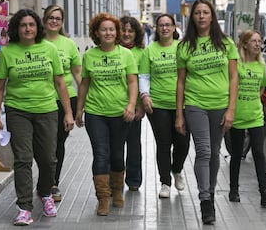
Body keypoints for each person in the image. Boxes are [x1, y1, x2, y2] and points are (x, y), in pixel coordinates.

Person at [0, 9, 74, 226]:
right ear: (17, 29)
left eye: (31, 25)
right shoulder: (8, 52)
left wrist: (68, 112)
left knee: (48, 159)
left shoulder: (49, 49)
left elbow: (60, 83)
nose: (27, 29)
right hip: (17, 110)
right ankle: (24, 207)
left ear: (38, 27)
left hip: (47, 110)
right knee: (23, 159)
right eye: (23, 25)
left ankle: (45, 193)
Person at [175, 0, 238, 224]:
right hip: (195, 104)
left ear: (212, 16)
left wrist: (231, 109)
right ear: (192, 17)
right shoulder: (184, 46)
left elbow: (233, 78)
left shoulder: (226, 43)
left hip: (220, 105)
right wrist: (179, 114)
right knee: (203, 151)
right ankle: (205, 201)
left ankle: (210, 191)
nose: (201, 16)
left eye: (205, 12)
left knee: (214, 151)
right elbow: (180, 82)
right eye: (197, 13)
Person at [75, 13, 138, 216]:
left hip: (120, 113)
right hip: (96, 113)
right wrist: (79, 109)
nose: (108, 32)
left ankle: (117, 190)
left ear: (117, 32)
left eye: (111, 29)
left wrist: (131, 105)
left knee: (117, 154)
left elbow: (132, 82)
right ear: (96, 33)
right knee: (101, 154)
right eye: (104, 29)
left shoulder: (126, 55)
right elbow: (84, 83)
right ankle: (103, 197)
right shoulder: (90, 56)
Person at [139, 13, 190, 199]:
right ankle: (165, 182)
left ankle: (177, 169)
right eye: (161, 25)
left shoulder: (182, 48)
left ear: (174, 28)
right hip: (158, 105)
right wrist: (144, 95)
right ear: (156, 28)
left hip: (182, 105)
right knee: (163, 144)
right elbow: (144, 76)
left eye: (168, 25)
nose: (165, 28)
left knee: (183, 143)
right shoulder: (149, 51)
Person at [228, 29, 266, 207]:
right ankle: (233, 190)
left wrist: (255, 100)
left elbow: (262, 87)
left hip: (255, 115)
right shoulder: (236, 65)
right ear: (245, 44)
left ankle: (264, 193)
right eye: (254, 41)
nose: (258, 44)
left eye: (260, 41)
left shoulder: (262, 65)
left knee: (259, 153)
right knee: (236, 155)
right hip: (238, 115)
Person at [42, 4, 82, 202]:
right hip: (42, 99)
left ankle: (53, 183)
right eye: (51, 17)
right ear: (44, 20)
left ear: (62, 22)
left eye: (58, 18)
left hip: (66, 100)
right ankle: (46, 179)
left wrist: (84, 101)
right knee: (43, 145)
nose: (54, 21)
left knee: (58, 142)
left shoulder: (68, 44)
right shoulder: (36, 42)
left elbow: (77, 73)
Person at [119, 16, 145, 191]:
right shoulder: (113, 51)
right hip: (114, 106)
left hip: (134, 107)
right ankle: (115, 178)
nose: (127, 34)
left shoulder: (142, 53)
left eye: (131, 31)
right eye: (123, 30)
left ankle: (134, 180)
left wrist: (140, 106)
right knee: (115, 147)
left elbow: (143, 80)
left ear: (136, 34)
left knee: (134, 145)